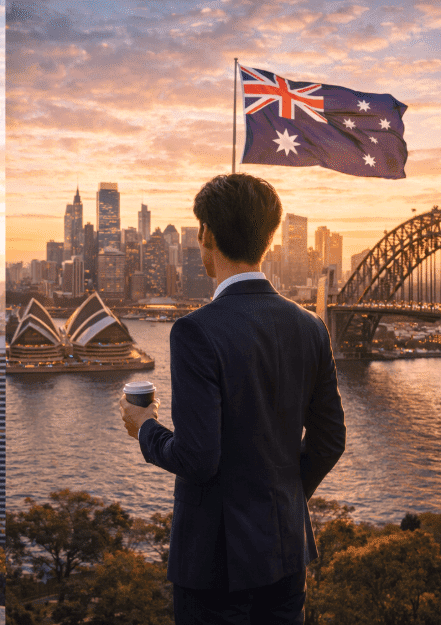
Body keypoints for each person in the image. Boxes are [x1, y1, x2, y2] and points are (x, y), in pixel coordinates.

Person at [119, 173, 346, 624]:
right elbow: (329, 441)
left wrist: (144, 428)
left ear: (206, 235)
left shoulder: (195, 331)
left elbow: (199, 458)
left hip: (214, 565)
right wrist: (278, 500)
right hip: (285, 553)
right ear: (270, 237)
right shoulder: (310, 326)